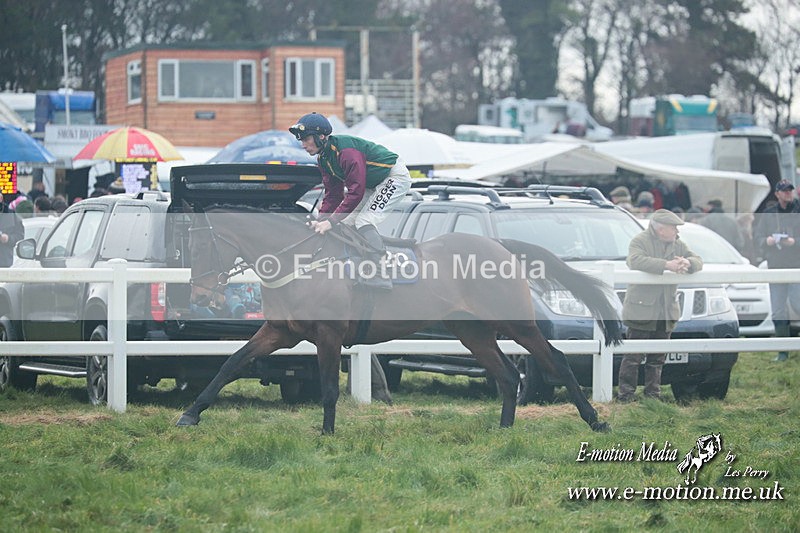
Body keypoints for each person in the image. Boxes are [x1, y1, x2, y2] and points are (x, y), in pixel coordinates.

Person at [290, 112, 412, 290]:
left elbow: (355, 192)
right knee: (346, 222)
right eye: (301, 140)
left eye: (307, 139)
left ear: (321, 136)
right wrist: (321, 221)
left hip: (395, 177)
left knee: (365, 220)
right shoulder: (323, 159)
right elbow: (333, 195)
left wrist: (330, 222)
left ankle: (380, 271)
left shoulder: (346, 153)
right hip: (373, 182)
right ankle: (360, 264)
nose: (303, 145)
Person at [618, 209, 703, 402]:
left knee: (657, 358)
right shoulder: (640, 241)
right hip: (641, 309)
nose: (677, 232)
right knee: (633, 357)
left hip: (665, 310)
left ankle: (652, 397)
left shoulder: (678, 244)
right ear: (660, 229)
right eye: (673, 228)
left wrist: (687, 262)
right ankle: (626, 397)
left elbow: (698, 260)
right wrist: (667, 265)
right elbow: (635, 260)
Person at [752, 179, 800, 361]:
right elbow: (757, 236)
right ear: (777, 194)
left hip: (797, 266)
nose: (788, 193)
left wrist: (795, 242)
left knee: (798, 304)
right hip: (776, 266)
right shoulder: (769, 213)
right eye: (785, 191)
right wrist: (767, 241)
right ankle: (783, 351)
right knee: (778, 310)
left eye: (790, 190)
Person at [0, 192, 25, 268]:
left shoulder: (11, 215)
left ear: (1, 198)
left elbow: (20, 236)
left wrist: (8, 238)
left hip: (4, 263)